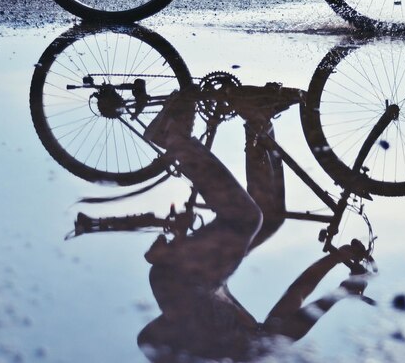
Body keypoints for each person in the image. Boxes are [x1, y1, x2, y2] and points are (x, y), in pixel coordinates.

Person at [138, 91, 370, 362]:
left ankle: (174, 139)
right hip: (191, 279)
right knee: (270, 219)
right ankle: (259, 124)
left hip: (184, 280)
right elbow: (295, 297)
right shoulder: (251, 339)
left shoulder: (241, 351)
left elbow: (148, 340)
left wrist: (340, 291)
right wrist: (335, 261)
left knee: (246, 219)